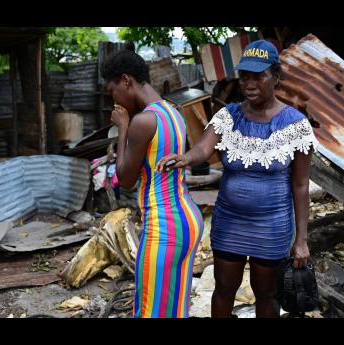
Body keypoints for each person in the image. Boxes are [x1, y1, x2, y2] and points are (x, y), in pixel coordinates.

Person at [156, 40, 319, 318]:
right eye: (244, 76)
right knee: (224, 289)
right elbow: (203, 149)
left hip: (272, 227)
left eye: (259, 76)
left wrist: (301, 240)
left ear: (276, 78)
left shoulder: (295, 125)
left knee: (266, 294)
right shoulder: (228, 116)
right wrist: (186, 158)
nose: (249, 83)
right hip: (230, 222)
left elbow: (301, 185)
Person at [101, 49, 203, 318]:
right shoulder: (173, 112)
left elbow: (125, 179)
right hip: (188, 220)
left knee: (149, 310)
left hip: (164, 228)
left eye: (112, 92)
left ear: (126, 81)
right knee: (174, 308)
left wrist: (123, 126)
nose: (114, 101)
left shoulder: (143, 122)